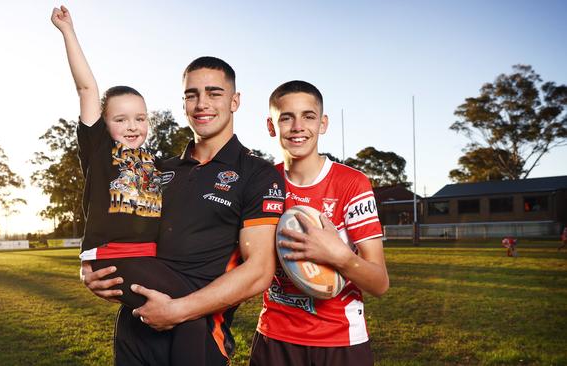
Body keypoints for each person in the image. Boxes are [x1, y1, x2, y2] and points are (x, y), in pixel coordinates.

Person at [81, 55, 285, 364]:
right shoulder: (156, 169)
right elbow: (113, 220)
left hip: (197, 337)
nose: (202, 103)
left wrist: (179, 310)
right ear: (184, 102)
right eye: (192, 95)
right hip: (135, 333)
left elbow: (258, 272)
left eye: (214, 93)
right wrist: (91, 270)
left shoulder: (256, 173)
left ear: (235, 101)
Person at [51, 6, 211, 365]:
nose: (132, 125)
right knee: (192, 312)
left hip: (146, 260)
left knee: (184, 316)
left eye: (140, 118)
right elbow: (87, 87)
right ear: (103, 124)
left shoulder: (155, 163)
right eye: (120, 119)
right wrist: (68, 31)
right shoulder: (100, 152)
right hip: (115, 258)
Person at [250, 80, 389, 366]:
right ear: (271, 126)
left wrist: (339, 256)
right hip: (274, 336)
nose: (298, 126)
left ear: (323, 123)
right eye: (286, 117)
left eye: (308, 116)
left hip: (339, 340)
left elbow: (380, 283)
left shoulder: (352, 183)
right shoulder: (262, 182)